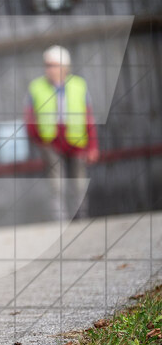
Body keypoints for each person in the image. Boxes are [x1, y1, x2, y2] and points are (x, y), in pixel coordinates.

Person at [24, 45, 100, 220]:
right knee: (56, 185)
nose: (49, 69)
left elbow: (89, 117)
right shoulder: (36, 87)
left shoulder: (79, 85)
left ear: (64, 66)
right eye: (47, 65)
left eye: (53, 65)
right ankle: (61, 221)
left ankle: (80, 218)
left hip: (76, 139)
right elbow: (29, 116)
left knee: (79, 184)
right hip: (50, 141)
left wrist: (93, 146)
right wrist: (38, 139)